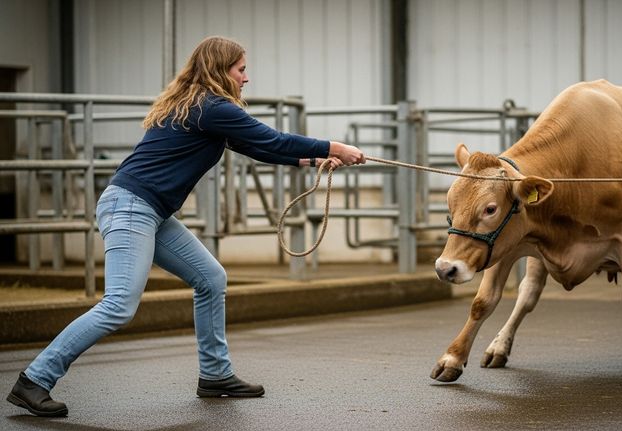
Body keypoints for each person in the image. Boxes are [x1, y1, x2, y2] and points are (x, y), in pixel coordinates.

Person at [6, 35, 365, 417]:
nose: (246, 78)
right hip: (131, 207)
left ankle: (215, 375)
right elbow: (272, 138)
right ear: (220, 70)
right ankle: (34, 380)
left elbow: (258, 147)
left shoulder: (201, 107)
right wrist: (332, 147)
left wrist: (312, 162)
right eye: (241, 69)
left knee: (210, 278)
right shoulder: (210, 107)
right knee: (119, 306)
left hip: (150, 210)